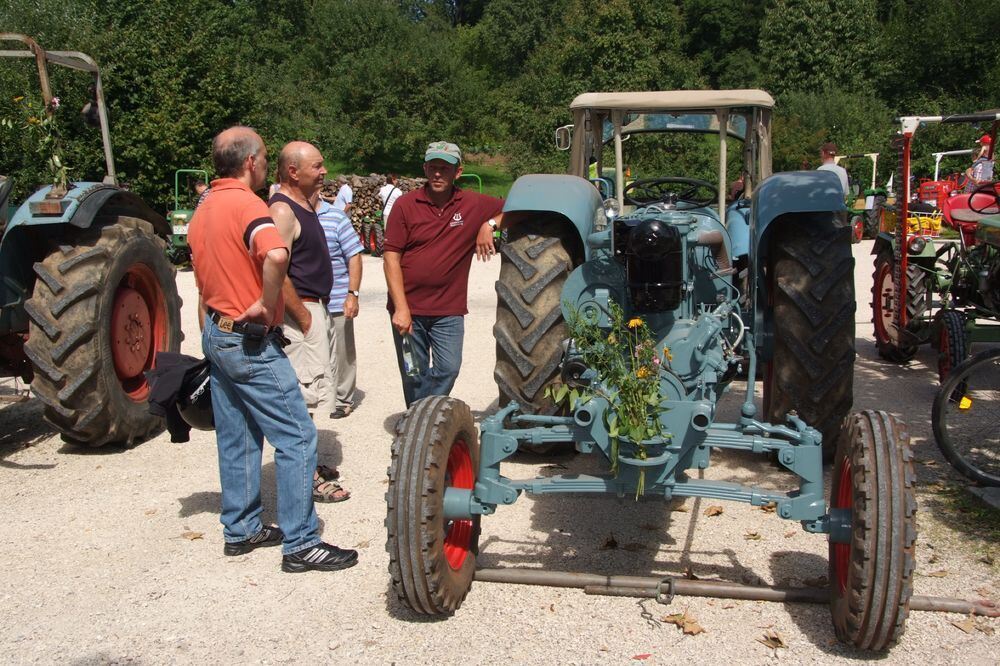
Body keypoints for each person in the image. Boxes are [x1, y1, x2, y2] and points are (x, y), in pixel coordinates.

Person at [187, 126, 356, 573]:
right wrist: (266, 302)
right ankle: (301, 542)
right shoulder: (247, 204)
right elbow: (277, 255)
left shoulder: (204, 206)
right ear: (251, 163)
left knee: (238, 434)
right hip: (248, 338)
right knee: (298, 435)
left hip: (218, 330)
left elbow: (201, 272)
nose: (266, 165)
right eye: (264, 158)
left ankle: (241, 529)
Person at [383, 140, 506, 407]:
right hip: (409, 310)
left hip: (448, 312)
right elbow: (391, 257)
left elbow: (516, 208)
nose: (438, 173)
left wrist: (489, 224)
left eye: (445, 168)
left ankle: (424, 418)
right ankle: (422, 425)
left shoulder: (472, 204)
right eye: (433, 167)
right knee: (413, 374)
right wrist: (401, 308)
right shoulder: (405, 205)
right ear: (425, 169)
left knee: (448, 368)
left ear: (458, 172)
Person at [268, 142, 350, 504]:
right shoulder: (283, 211)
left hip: (313, 309)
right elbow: (275, 268)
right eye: (317, 166)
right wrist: (301, 317)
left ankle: (309, 462)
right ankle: (308, 477)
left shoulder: (305, 205)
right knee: (302, 397)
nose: (324, 171)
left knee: (313, 393)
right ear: (292, 172)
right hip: (300, 313)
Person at [316, 190, 364, 419]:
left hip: (336, 297)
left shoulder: (336, 217)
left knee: (343, 351)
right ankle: (315, 395)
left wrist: (352, 294)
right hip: (306, 300)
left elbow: (354, 255)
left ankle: (343, 398)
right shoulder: (292, 215)